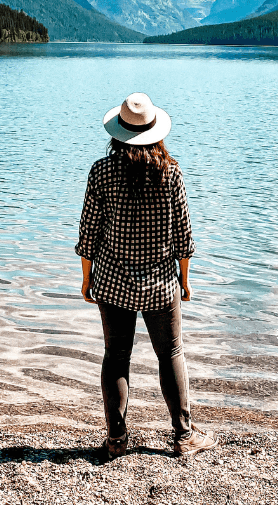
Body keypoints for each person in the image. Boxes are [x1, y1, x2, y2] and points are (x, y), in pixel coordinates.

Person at [76, 92, 217, 460]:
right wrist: (184, 281)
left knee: (116, 356)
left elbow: (88, 235)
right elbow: (184, 236)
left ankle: (116, 440)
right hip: (160, 284)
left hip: (112, 281)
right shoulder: (171, 172)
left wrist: (86, 279)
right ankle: (183, 436)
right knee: (170, 352)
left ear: (117, 133)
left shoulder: (101, 171)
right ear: (156, 131)